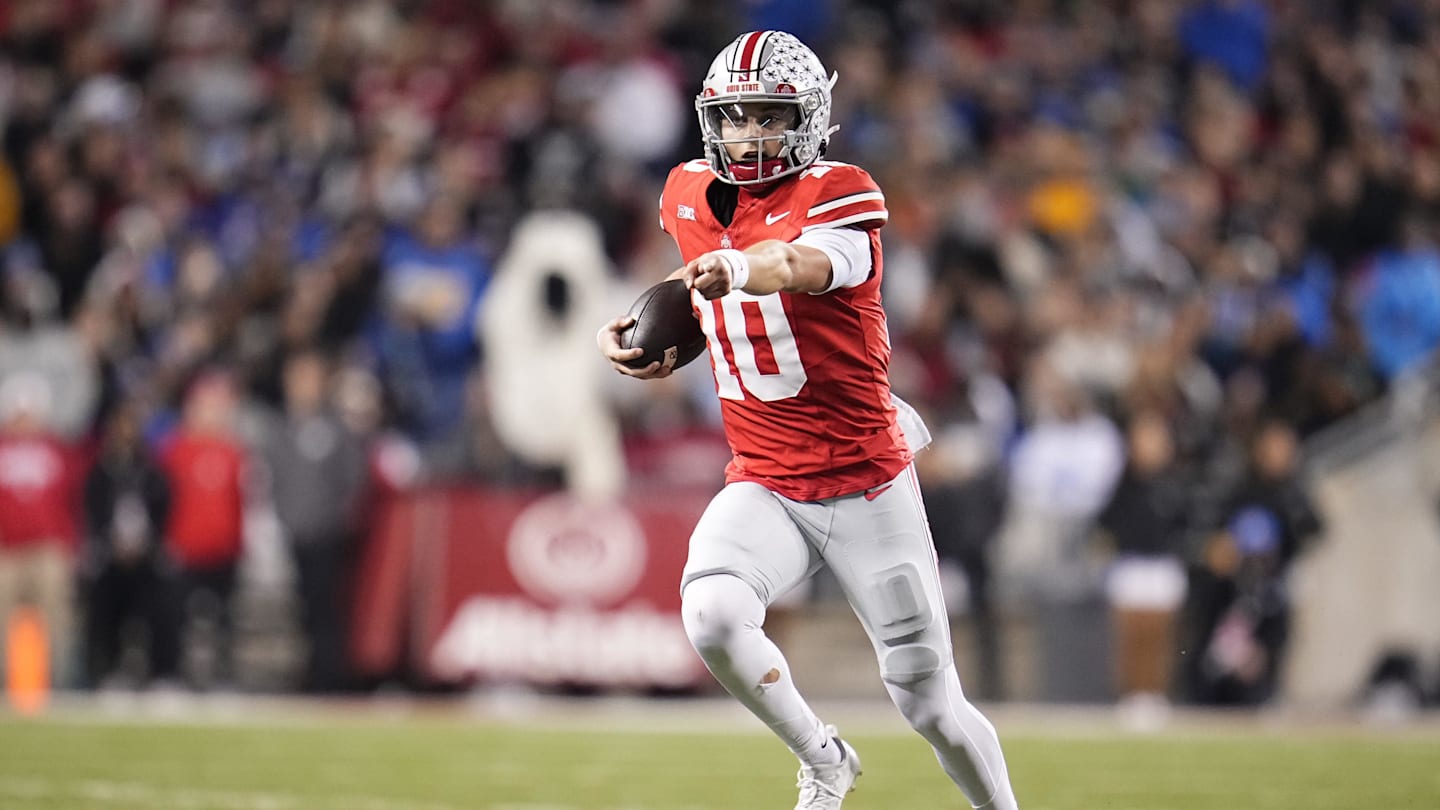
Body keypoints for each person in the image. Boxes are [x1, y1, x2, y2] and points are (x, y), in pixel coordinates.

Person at [597, 31, 1020, 810]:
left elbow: (794, 264)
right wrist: (638, 328)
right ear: (709, 121)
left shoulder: (841, 192)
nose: (750, 134)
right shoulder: (687, 191)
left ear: (809, 118)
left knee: (931, 706)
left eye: (768, 116)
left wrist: (736, 271)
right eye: (736, 117)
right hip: (765, 479)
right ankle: (824, 759)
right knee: (712, 613)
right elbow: (698, 275)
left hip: (865, 484)